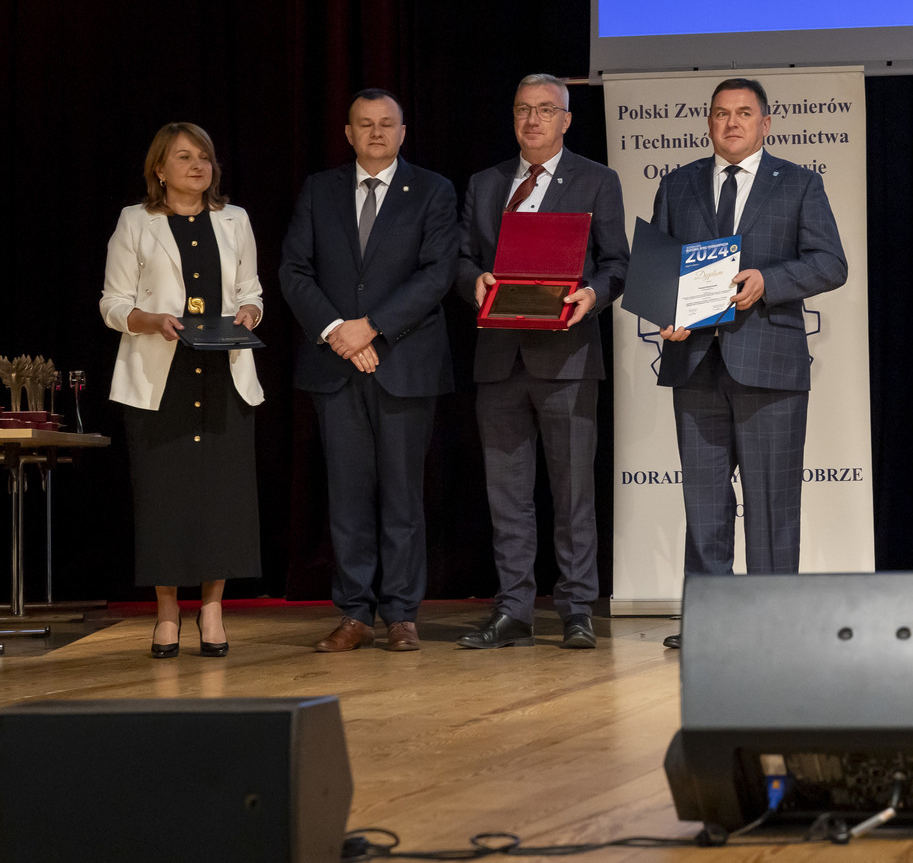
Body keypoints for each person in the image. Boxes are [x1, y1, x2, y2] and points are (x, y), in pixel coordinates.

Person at [651, 78, 848, 648]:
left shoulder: (799, 183)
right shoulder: (678, 183)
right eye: (720, 113)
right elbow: (658, 269)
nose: (731, 123)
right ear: (709, 123)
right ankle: (712, 621)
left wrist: (769, 281)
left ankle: (773, 622)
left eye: (743, 113)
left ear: (766, 123)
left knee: (772, 501)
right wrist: (665, 312)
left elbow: (830, 263)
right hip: (694, 361)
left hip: (770, 361)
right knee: (704, 502)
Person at [454, 74, 629, 650]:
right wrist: (473, 281)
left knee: (573, 494)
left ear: (567, 120)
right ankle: (514, 611)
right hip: (499, 359)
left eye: (546, 110)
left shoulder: (597, 180)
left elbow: (617, 262)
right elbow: (460, 257)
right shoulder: (485, 183)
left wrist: (593, 295)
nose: (533, 119)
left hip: (568, 357)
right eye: (523, 109)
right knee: (507, 497)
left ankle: (577, 609)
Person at [280, 89, 456, 653]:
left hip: (405, 364)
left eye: (387, 124)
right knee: (347, 497)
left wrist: (373, 327)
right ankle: (354, 613)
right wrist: (339, 331)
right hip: (335, 366)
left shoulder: (432, 190)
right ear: (348, 133)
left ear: (403, 133)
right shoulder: (319, 190)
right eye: (365, 124)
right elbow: (294, 270)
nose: (376, 133)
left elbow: (436, 274)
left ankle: (401, 615)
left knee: (403, 498)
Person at [100, 122, 263, 658]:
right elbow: (112, 303)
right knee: (163, 499)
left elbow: (252, 290)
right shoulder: (135, 221)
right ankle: (167, 612)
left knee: (221, 499)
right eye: (185, 157)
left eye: (205, 158)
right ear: (160, 170)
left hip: (223, 374)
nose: (198, 166)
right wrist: (150, 320)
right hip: (159, 380)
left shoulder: (235, 219)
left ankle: (212, 611)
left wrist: (250, 311)